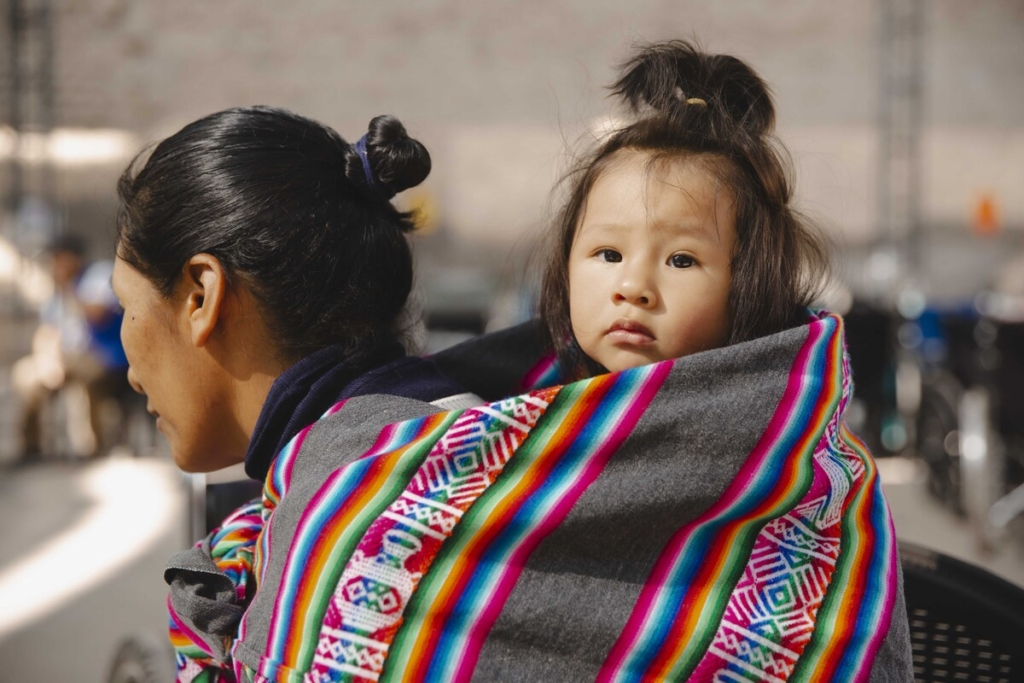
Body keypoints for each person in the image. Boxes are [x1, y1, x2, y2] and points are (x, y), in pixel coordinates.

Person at [166, 47, 913, 683]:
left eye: (682, 258)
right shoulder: (491, 413)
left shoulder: (795, 467)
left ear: (746, 286)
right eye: (607, 252)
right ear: (564, 267)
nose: (633, 284)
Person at [110, 106, 476, 680]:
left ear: (202, 296)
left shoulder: (335, 534)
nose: (133, 376)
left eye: (128, 309)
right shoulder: (460, 424)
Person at [12, 234, 130, 460]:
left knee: (87, 379)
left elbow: (98, 314)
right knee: (27, 377)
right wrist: (48, 362)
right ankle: (31, 447)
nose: (55, 265)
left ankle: (92, 447)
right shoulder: (55, 294)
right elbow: (48, 332)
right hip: (65, 359)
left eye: (59, 258)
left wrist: (68, 289)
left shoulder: (97, 276)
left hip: (103, 356)